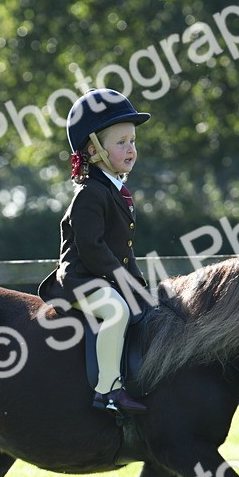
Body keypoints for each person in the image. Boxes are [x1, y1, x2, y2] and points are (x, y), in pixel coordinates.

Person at [39, 88, 151, 415]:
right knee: (116, 310)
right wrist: (124, 283)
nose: (131, 149)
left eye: (132, 141)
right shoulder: (89, 194)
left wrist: (138, 284)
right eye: (121, 142)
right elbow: (93, 249)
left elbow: (125, 253)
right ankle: (108, 390)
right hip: (80, 279)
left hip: (103, 278)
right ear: (94, 150)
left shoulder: (117, 191)